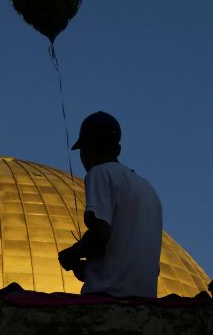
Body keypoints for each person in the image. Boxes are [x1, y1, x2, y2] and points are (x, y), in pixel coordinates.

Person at [57, 111, 163, 298]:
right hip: (145, 297)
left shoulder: (99, 173)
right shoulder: (147, 189)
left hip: (108, 295)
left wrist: (71, 254)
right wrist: (88, 268)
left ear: (85, 151)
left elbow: (100, 233)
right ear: (118, 149)